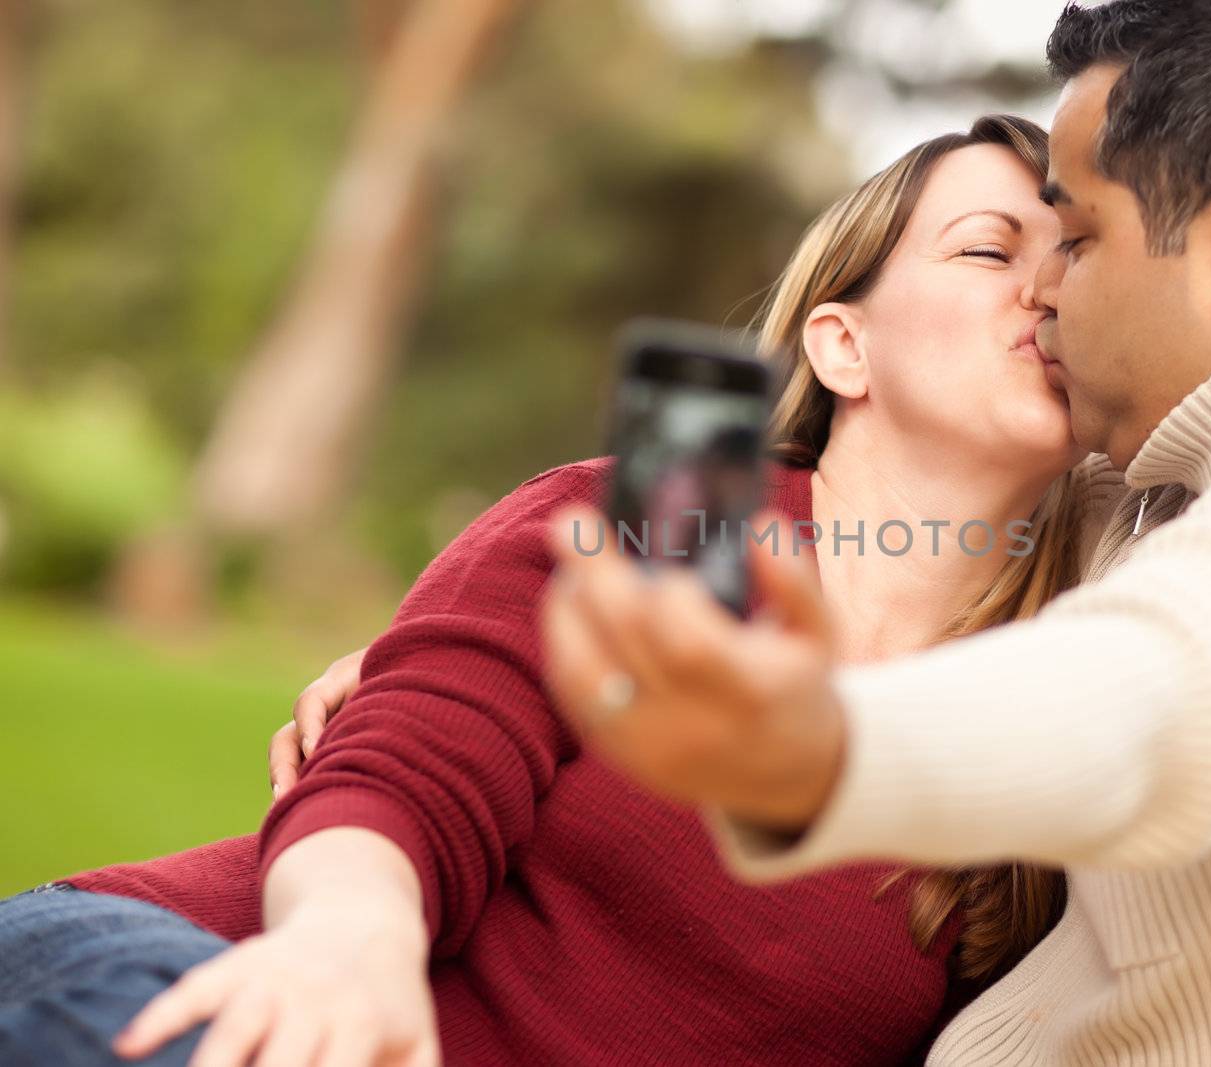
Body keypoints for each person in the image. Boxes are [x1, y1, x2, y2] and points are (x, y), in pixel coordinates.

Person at [537, 2, 1211, 1064]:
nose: (1041, 293)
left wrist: (822, 747)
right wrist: (417, 676)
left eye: (1078, 240)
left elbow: (1163, 688)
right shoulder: (1174, 472)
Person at [0, 114, 1112, 1066]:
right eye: (986, 251)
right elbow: (407, 779)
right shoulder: (672, 521)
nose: (1047, 289)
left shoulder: (1055, 718)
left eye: (1075, 254)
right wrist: (350, 943)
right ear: (842, 345)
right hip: (192, 972)